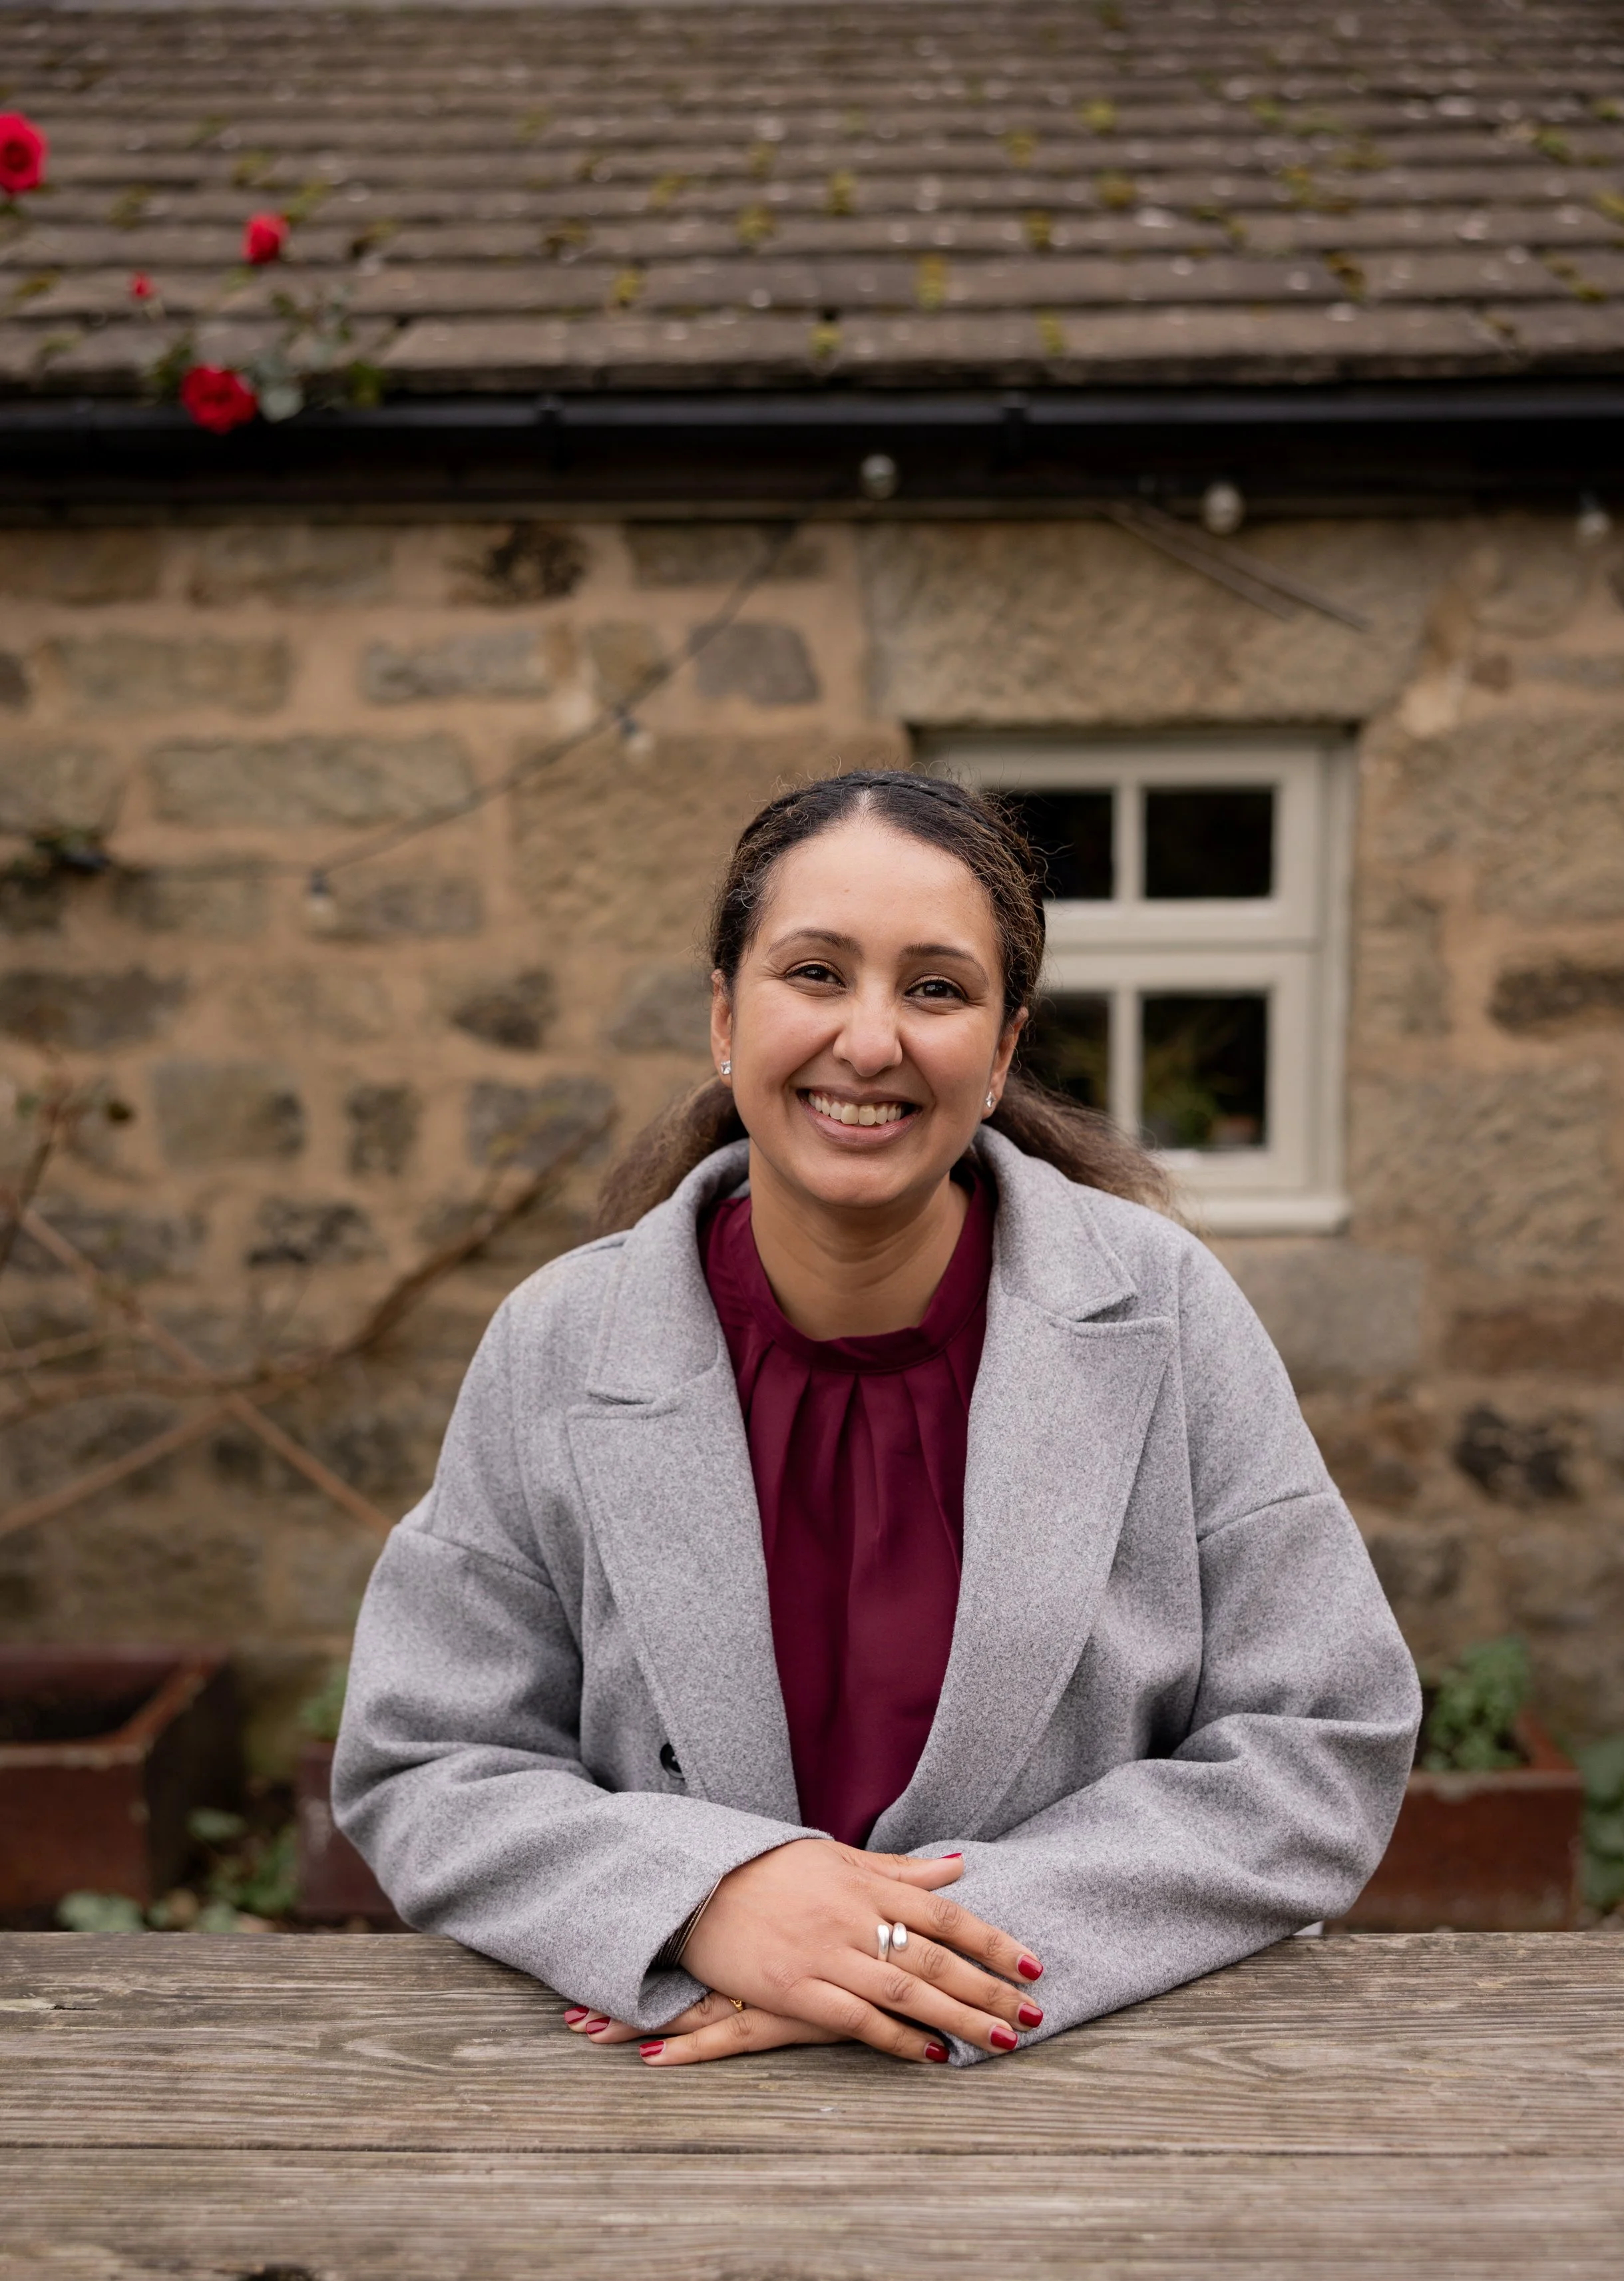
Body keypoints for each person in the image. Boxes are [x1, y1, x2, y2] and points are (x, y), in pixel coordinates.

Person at [335, 770, 1419, 2067]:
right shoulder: (556, 1341)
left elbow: (1319, 1743)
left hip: (1094, 2100)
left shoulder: (1167, 1313)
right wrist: (713, 1896)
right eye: (814, 973)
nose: (868, 1041)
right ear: (726, 1017)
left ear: (1003, 1043)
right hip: (655, 2135)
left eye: (934, 988)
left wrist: (895, 1955)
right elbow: (426, 1756)